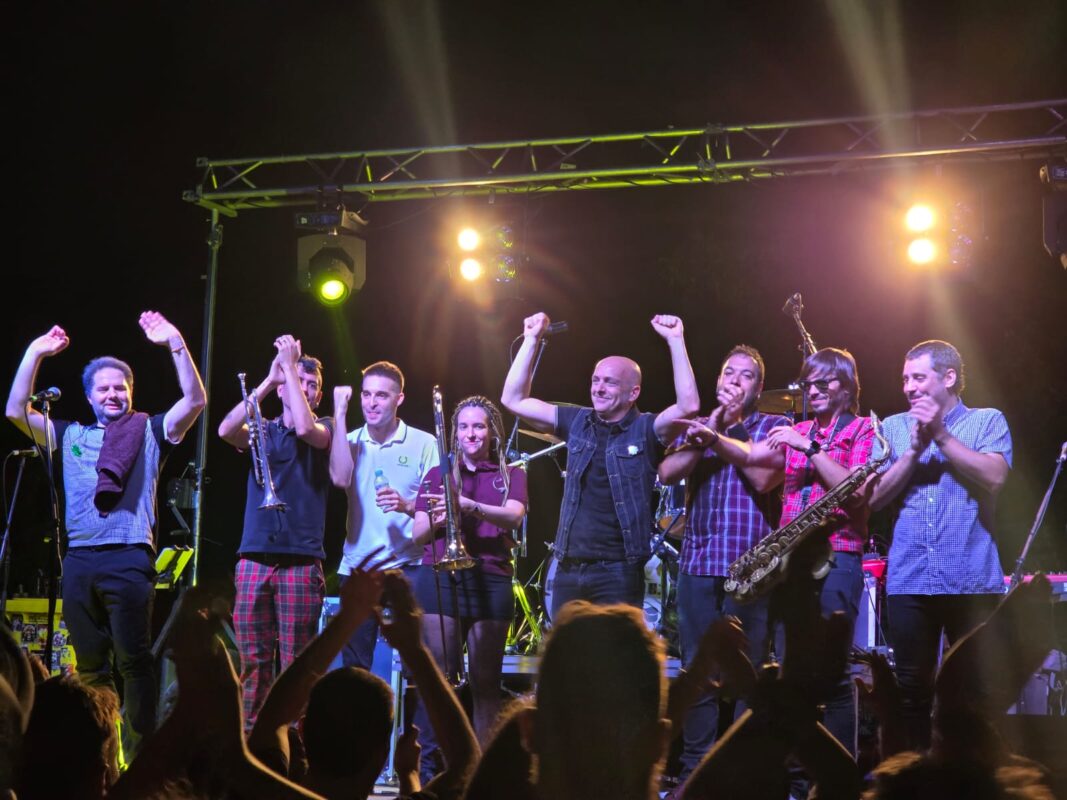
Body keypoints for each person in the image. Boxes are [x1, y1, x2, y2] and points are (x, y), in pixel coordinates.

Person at [5, 312, 206, 756]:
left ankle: (140, 755)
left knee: (134, 661)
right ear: (89, 396)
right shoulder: (68, 435)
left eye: (121, 388)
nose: (114, 394)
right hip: (79, 559)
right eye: (104, 389)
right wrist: (35, 352)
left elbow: (194, 400)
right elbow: (15, 410)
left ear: (131, 392)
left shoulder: (149, 430)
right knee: (91, 664)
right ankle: (102, 755)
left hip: (129, 557)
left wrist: (175, 341)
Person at [701, 347, 875, 756]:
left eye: (823, 382)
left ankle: (837, 776)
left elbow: (857, 492)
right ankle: (797, 774)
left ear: (846, 386)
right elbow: (752, 457)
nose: (812, 390)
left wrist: (810, 448)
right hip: (791, 563)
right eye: (808, 383)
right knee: (789, 669)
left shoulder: (863, 429)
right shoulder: (797, 429)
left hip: (838, 555)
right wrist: (714, 436)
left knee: (834, 675)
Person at [500, 312, 699, 614]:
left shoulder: (646, 429)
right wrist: (531, 338)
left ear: (633, 392)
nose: (599, 388)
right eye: (595, 380)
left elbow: (689, 406)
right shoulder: (577, 421)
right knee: (569, 645)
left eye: (610, 382)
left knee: (614, 645)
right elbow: (513, 399)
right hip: (569, 565)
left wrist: (675, 340)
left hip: (618, 571)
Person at [869, 339, 1012, 750]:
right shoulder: (893, 427)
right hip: (910, 580)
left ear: (949, 378)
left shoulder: (986, 421)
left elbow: (995, 477)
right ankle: (916, 776)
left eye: (918, 377)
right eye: (904, 379)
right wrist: (913, 450)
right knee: (911, 694)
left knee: (974, 694)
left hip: (971, 579)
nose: (908, 387)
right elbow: (873, 498)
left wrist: (941, 435)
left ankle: (973, 776)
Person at [657, 345, 789, 783]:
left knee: (748, 674)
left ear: (758, 387)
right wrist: (711, 427)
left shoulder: (774, 426)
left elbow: (764, 478)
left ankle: (743, 774)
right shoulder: (700, 425)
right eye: (728, 372)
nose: (735, 380)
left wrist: (726, 432)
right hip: (698, 561)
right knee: (698, 671)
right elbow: (667, 473)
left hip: (751, 566)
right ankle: (696, 771)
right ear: (717, 381)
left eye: (746, 375)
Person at [217, 335, 333, 728]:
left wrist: (291, 367)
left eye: (312, 385)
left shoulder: (325, 426)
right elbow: (225, 429)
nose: (306, 388)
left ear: (318, 395)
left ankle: (294, 745)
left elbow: (303, 427)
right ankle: (252, 742)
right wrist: (270, 379)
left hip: (301, 559)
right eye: (299, 381)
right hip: (254, 557)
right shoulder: (262, 429)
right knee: (253, 662)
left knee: (297, 664)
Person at [411, 396, 528, 743]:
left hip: (491, 577)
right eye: (463, 427)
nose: (471, 434)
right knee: (442, 679)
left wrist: (469, 506)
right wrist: (443, 516)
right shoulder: (438, 474)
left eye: (478, 426)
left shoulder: (512, 474)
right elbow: (418, 535)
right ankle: (436, 764)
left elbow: (514, 516)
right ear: (454, 432)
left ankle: (482, 765)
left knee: (486, 682)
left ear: (492, 432)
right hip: (441, 577)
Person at [329, 360, 438, 670]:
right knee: (354, 667)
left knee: (418, 662)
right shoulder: (349, 440)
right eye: (366, 394)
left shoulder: (424, 443)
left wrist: (407, 504)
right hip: (359, 567)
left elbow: (438, 504)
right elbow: (339, 478)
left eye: (381, 395)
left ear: (399, 398)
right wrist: (339, 413)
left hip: (409, 566)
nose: (371, 403)